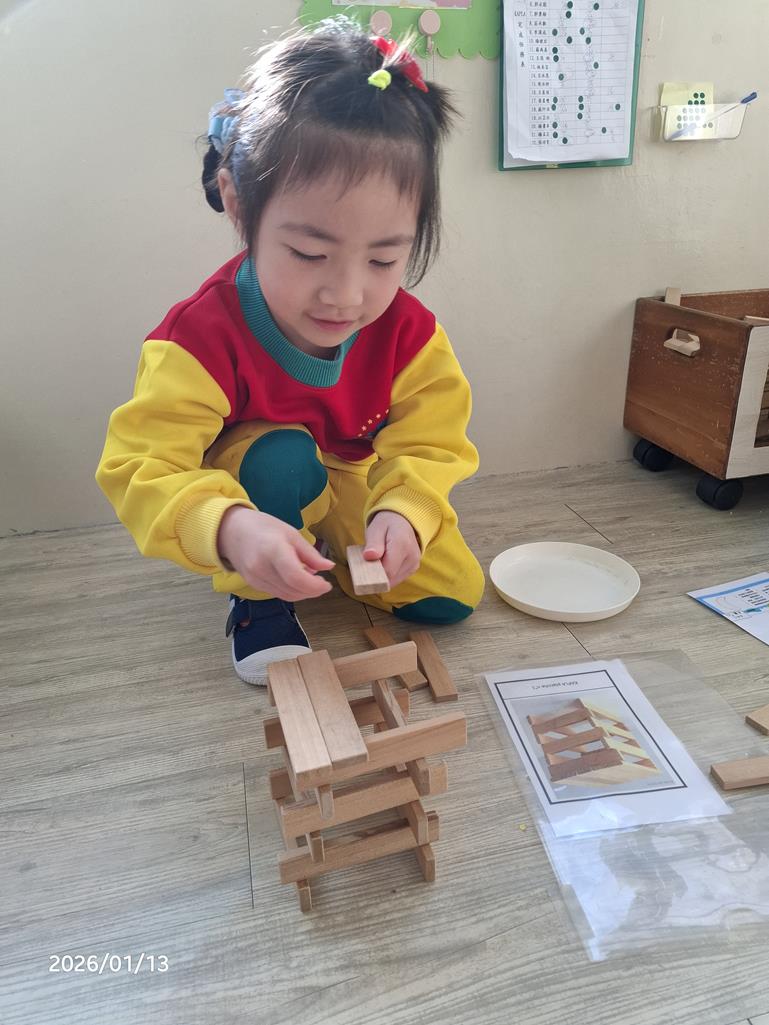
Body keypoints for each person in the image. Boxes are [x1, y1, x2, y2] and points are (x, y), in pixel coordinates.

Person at [96, 17, 485, 686]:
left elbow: (431, 441)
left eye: (384, 259)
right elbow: (141, 466)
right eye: (309, 253)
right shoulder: (196, 338)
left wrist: (405, 512)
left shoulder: (410, 333)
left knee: (450, 597)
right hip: (258, 478)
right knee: (279, 459)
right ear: (237, 205)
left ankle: (325, 537)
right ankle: (259, 596)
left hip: (353, 473)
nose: (346, 295)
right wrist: (228, 528)